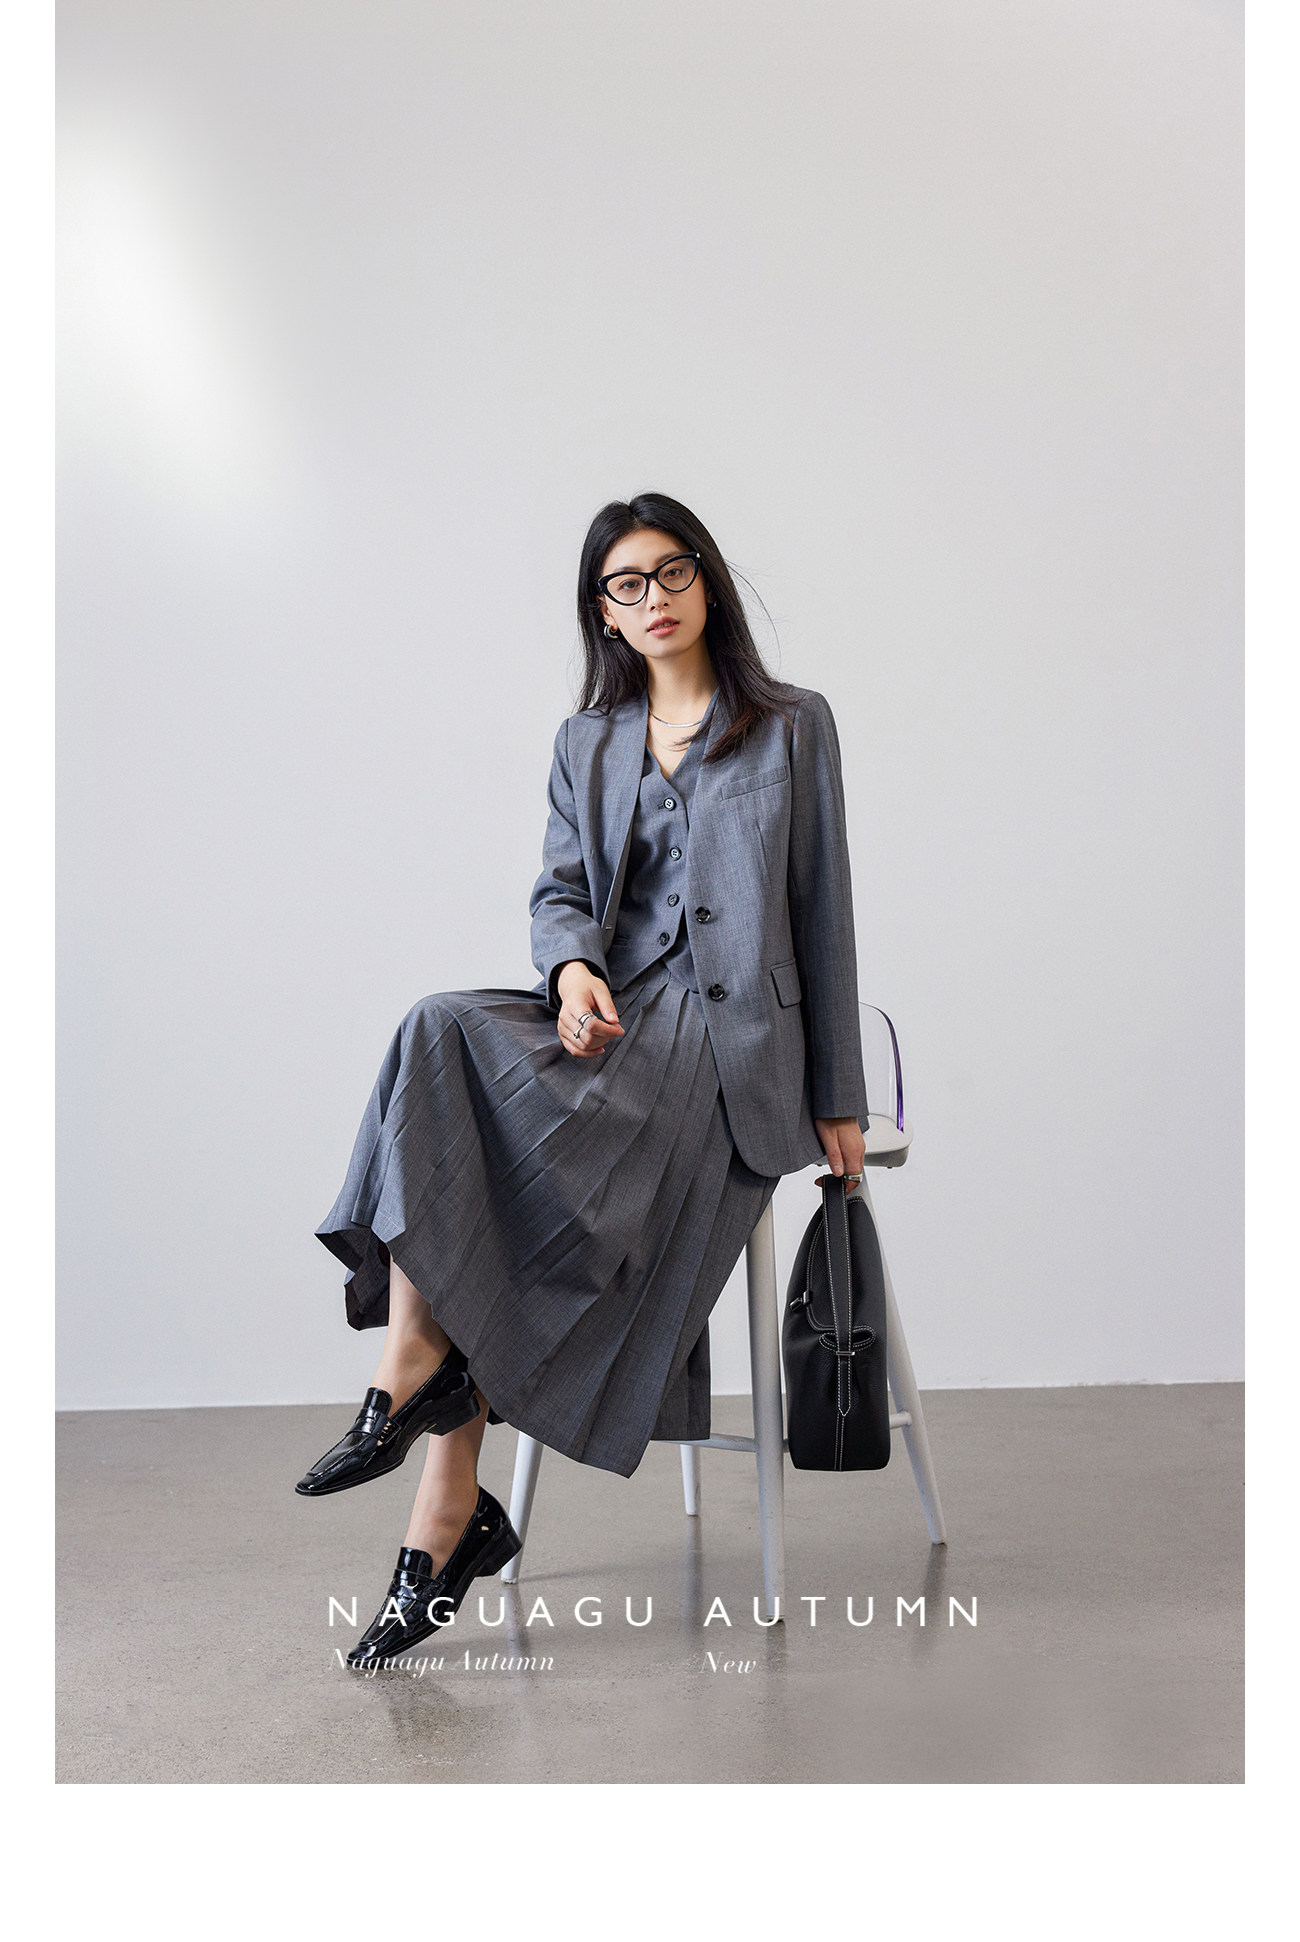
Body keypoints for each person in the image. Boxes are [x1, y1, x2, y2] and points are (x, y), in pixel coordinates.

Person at [300, 492, 869, 1668]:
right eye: (626, 584)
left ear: (707, 580)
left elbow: (826, 912)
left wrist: (838, 1096)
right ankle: (416, 1378)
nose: (653, 598)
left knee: (504, 1198)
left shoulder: (790, 726)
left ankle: (435, 1485)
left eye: (672, 572)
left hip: (725, 1050)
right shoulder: (587, 743)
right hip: (612, 1024)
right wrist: (569, 970)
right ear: (602, 612)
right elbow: (562, 891)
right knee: (436, 1031)